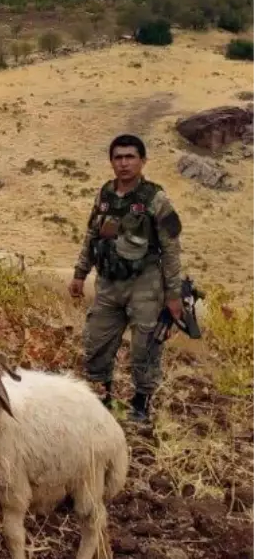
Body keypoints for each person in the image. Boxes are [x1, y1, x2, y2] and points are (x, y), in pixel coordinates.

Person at [70, 133, 183, 423]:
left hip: (144, 283)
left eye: (130, 157)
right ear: (111, 161)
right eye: (118, 157)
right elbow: (91, 236)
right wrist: (80, 274)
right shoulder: (104, 194)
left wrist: (172, 294)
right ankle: (102, 400)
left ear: (143, 161)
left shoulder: (156, 198)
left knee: (145, 345)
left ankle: (141, 405)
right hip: (108, 283)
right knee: (96, 341)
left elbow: (171, 247)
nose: (124, 163)